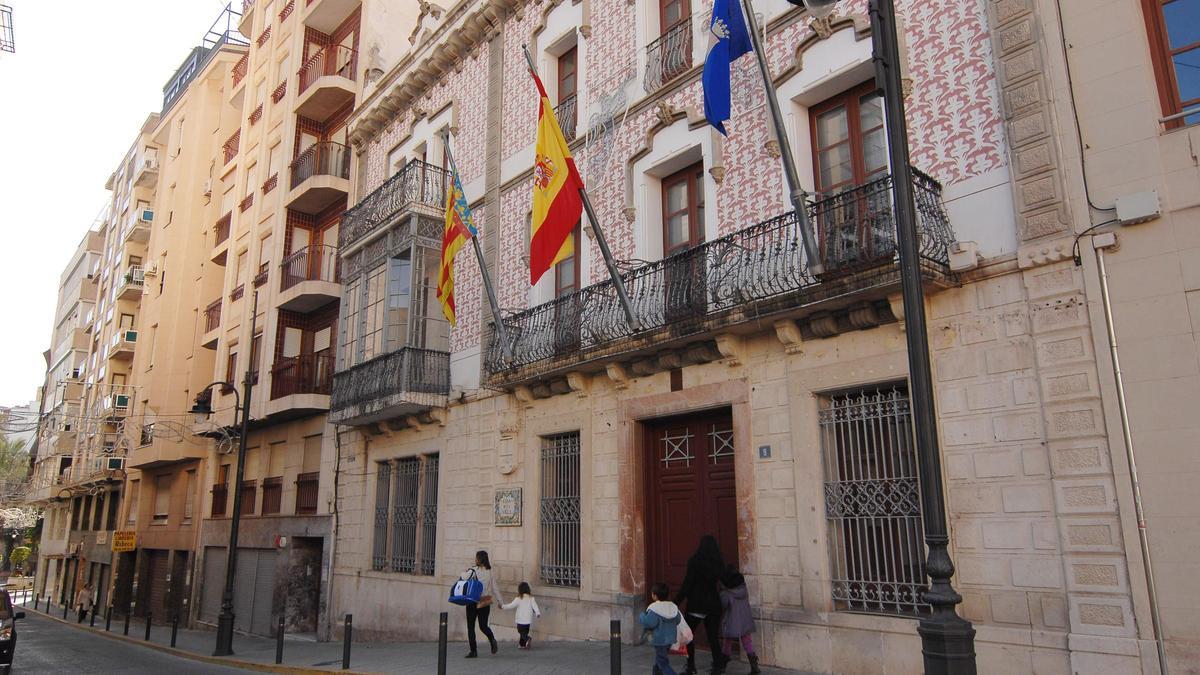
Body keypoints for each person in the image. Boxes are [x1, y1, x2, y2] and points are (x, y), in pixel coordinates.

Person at [676, 535, 727, 675]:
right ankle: (718, 667)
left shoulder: (695, 561)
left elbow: (688, 584)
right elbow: (726, 579)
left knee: (687, 636)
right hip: (713, 606)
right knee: (713, 639)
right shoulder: (718, 562)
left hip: (696, 605)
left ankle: (691, 666)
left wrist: (676, 601)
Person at [461, 550, 503, 658]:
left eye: (476, 558)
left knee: (471, 627)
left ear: (479, 559)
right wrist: (500, 601)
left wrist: (465, 571)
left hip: (472, 600)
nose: (475, 559)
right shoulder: (490, 571)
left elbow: (463, 577)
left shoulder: (473, 570)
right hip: (485, 600)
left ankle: (473, 651)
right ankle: (491, 639)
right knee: (483, 626)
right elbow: (495, 587)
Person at [719, 567, 759, 675]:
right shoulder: (744, 590)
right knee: (747, 642)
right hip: (745, 621)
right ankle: (754, 664)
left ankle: (723, 664)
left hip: (732, 621)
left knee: (727, 643)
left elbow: (723, 605)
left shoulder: (726, 594)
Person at [640, 582, 682, 675]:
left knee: (662, 662)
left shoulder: (654, 609)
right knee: (660, 658)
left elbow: (650, 623)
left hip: (660, 640)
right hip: (670, 639)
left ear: (654, 596)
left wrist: (642, 616)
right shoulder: (672, 607)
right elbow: (678, 619)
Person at [501, 581, 541, 649]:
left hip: (520, 620)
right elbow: (535, 606)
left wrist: (502, 606)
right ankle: (522, 644)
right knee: (524, 632)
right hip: (528, 620)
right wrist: (538, 613)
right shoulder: (531, 598)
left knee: (521, 631)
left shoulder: (518, 599)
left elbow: (511, 605)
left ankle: (527, 639)